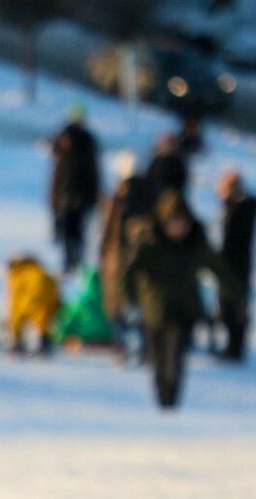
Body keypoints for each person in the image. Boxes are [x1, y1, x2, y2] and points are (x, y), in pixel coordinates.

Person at [122, 192, 235, 410]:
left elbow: (217, 267)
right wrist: (130, 300)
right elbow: (129, 271)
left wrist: (235, 292)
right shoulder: (149, 242)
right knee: (157, 357)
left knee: (176, 356)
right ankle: (162, 398)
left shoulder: (195, 242)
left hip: (185, 309)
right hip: (155, 310)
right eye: (172, 223)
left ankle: (172, 399)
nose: (177, 229)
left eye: (181, 223)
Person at [98, 150, 154, 357]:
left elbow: (112, 230)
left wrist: (104, 251)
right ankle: (139, 344)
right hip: (135, 257)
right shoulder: (150, 194)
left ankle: (124, 344)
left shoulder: (123, 197)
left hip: (120, 257)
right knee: (136, 303)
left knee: (119, 303)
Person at [48, 104, 100, 276]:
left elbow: (93, 171)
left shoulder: (87, 141)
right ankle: (69, 262)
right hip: (66, 196)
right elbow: (58, 174)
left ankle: (77, 263)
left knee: (79, 232)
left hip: (81, 196)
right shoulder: (63, 140)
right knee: (67, 232)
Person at [215, 170, 256, 362]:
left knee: (234, 307)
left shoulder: (242, 208)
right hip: (230, 263)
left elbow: (234, 238)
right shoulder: (234, 207)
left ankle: (235, 348)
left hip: (237, 264)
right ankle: (233, 346)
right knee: (227, 307)